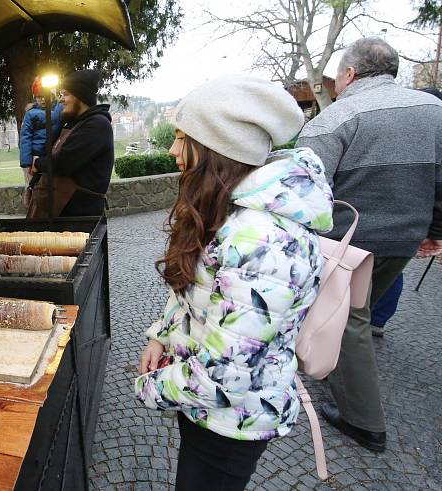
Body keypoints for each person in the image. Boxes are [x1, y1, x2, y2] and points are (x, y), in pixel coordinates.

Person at [135, 75, 334, 490]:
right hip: (210, 411)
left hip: (232, 421)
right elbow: (196, 295)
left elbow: (225, 376)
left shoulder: (260, 239)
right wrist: (161, 337)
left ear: (217, 146)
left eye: (182, 137)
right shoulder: (233, 211)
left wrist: (150, 387)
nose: (172, 150)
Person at [297, 37, 442, 452]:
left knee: (347, 321)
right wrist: (437, 229)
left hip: (346, 245)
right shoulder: (435, 111)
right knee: (352, 318)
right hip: (404, 241)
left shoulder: (338, 117)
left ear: (349, 73)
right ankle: (333, 365)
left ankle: (365, 422)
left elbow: (303, 185)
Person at [368, 86, 442, 337]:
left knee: (385, 267)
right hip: (409, 218)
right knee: (392, 267)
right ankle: (375, 319)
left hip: (396, 215)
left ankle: (367, 319)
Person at [27, 69, 114, 218]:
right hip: (61, 214)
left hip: (81, 216)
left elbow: (64, 162)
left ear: (80, 97)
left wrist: (38, 163)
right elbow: (48, 150)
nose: (61, 99)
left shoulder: (97, 125)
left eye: (65, 94)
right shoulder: (72, 124)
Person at [19, 78, 62, 186]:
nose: (43, 99)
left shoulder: (59, 109)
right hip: (37, 153)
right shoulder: (31, 114)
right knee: (36, 185)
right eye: (39, 96)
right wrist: (27, 161)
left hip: (53, 151)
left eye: (47, 96)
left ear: (53, 96)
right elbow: (25, 137)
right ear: (35, 97)